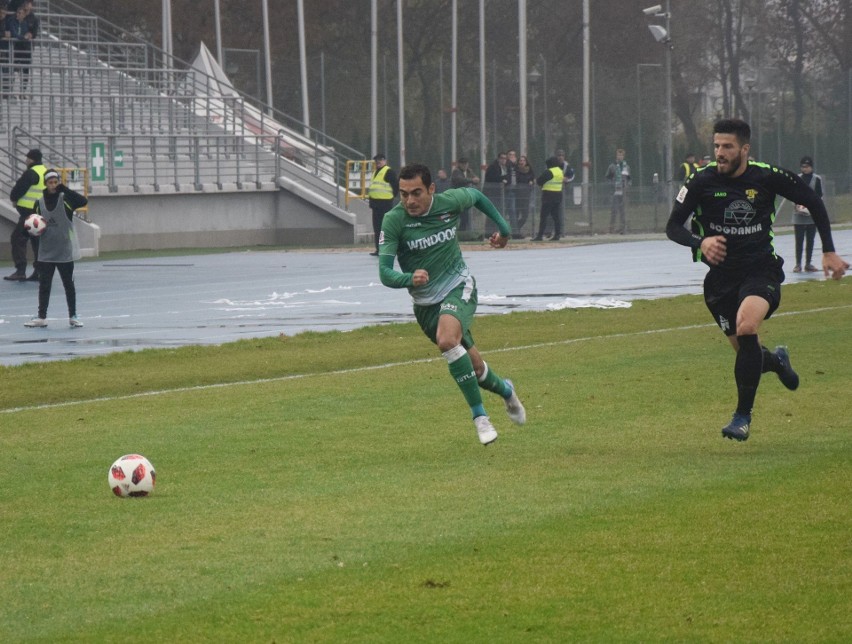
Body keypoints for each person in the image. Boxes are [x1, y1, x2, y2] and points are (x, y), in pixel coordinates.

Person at [665, 118, 849, 442]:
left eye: (727, 147)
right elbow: (673, 227)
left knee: (747, 325)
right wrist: (700, 242)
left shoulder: (766, 176)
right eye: (717, 146)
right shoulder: (699, 181)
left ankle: (742, 417)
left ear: (744, 149)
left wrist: (829, 252)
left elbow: (814, 200)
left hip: (761, 271)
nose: (720, 153)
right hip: (720, 281)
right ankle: (776, 361)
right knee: (748, 354)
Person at [377, 163, 526, 446]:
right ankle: (507, 391)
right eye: (403, 194)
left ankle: (480, 418)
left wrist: (504, 230)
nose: (409, 200)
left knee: (447, 340)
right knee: (476, 368)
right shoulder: (394, 221)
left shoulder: (449, 202)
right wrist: (408, 277)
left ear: (431, 189)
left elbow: (477, 196)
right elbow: (385, 273)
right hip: (425, 306)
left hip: (459, 286)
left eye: (416, 193)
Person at [24, 169, 89, 328]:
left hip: (64, 251)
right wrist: (36, 253)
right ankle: (41, 316)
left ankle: (73, 315)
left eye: (55, 182)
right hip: (46, 251)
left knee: (69, 285)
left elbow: (82, 201)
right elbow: (32, 225)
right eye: (50, 182)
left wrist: (64, 188)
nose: (53, 185)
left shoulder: (65, 199)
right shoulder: (39, 203)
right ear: (46, 184)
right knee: (44, 285)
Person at [5, 148, 45, 281]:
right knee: (36, 242)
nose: (26, 160)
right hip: (40, 213)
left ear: (30, 159)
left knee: (17, 239)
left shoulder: (31, 173)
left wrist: (14, 199)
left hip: (29, 213)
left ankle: (20, 270)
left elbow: (18, 189)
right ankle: (39, 271)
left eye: (27, 158)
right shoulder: (46, 171)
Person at [791, 156, 822, 273]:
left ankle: (808, 263)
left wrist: (811, 207)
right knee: (799, 240)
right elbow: (793, 193)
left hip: (811, 215)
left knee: (810, 240)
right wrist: (798, 205)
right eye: (803, 167)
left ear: (811, 167)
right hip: (798, 214)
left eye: (807, 167)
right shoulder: (797, 178)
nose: (805, 169)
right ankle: (798, 264)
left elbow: (819, 195)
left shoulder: (816, 179)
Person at [367, 153, 397, 256]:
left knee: (386, 228)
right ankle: (379, 249)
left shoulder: (389, 171)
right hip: (376, 205)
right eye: (376, 160)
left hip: (385, 205)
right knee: (377, 228)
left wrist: (391, 197)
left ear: (384, 161)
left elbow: (395, 186)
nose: (378, 162)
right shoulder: (375, 172)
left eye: (380, 160)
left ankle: (388, 249)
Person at [532, 156, 564, 241]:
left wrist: (537, 182)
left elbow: (539, 181)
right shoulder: (560, 171)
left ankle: (540, 235)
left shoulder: (549, 171)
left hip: (548, 195)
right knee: (556, 216)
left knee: (544, 216)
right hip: (558, 195)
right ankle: (557, 235)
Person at [450, 157, 479, 234]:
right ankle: (459, 232)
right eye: (463, 164)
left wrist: (474, 178)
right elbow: (459, 180)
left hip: (465, 197)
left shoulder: (468, 171)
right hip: (457, 197)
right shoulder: (456, 171)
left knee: (465, 216)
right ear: (459, 164)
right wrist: (471, 180)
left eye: (466, 163)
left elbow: (475, 179)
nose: (465, 165)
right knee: (460, 216)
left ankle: (462, 232)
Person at [605, 149, 630, 234]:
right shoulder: (612, 166)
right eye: (618, 155)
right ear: (616, 156)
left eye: (621, 155)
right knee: (614, 210)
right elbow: (607, 177)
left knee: (623, 211)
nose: (620, 157)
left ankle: (623, 228)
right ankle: (611, 228)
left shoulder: (626, 167)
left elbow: (629, 179)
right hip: (614, 192)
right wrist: (612, 184)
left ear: (623, 156)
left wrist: (627, 185)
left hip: (623, 192)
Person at [514, 154, 535, 235]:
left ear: (526, 162)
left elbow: (533, 178)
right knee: (515, 214)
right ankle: (515, 231)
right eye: (520, 160)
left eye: (523, 160)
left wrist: (532, 181)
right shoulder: (516, 171)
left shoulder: (529, 170)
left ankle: (517, 227)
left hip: (526, 195)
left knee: (525, 215)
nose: (522, 162)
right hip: (517, 195)